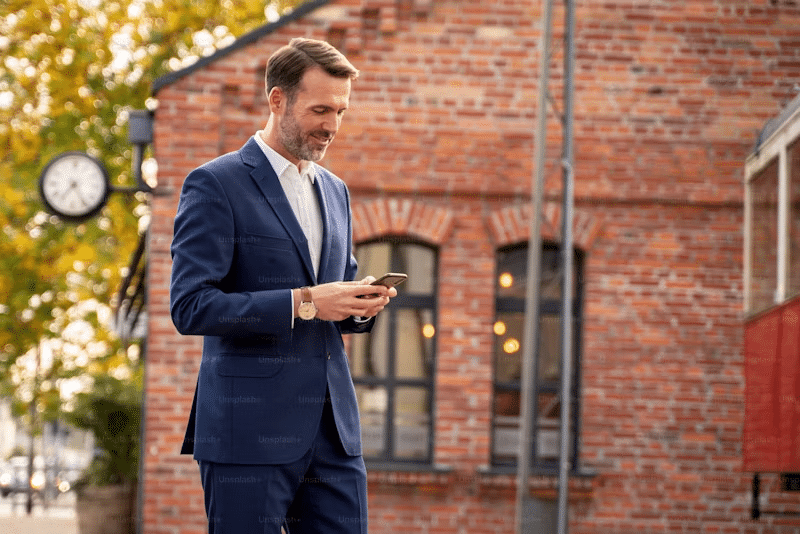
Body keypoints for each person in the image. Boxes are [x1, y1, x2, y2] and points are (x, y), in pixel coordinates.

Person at [169, 37, 396, 534]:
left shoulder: (335, 191)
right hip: (247, 433)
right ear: (278, 100)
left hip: (333, 434)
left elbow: (334, 295)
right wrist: (308, 302)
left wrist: (360, 304)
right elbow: (191, 306)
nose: (332, 125)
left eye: (340, 111)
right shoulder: (215, 183)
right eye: (320, 109)